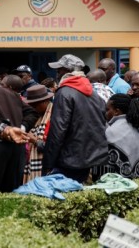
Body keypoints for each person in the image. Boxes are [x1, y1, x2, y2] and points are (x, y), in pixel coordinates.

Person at [42, 54, 108, 183]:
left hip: (68, 160)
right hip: (88, 158)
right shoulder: (92, 92)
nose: (57, 74)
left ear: (67, 71)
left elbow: (57, 131)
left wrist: (48, 163)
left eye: (59, 70)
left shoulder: (64, 92)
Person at [104, 94, 139, 178]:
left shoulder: (112, 131)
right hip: (138, 180)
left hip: (118, 182)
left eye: (107, 110)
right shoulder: (135, 126)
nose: (105, 113)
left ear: (116, 111)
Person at [23, 85, 54, 183]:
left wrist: (35, 140)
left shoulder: (54, 116)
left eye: (35, 105)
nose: (33, 108)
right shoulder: (39, 116)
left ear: (45, 101)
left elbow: (53, 147)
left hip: (49, 168)